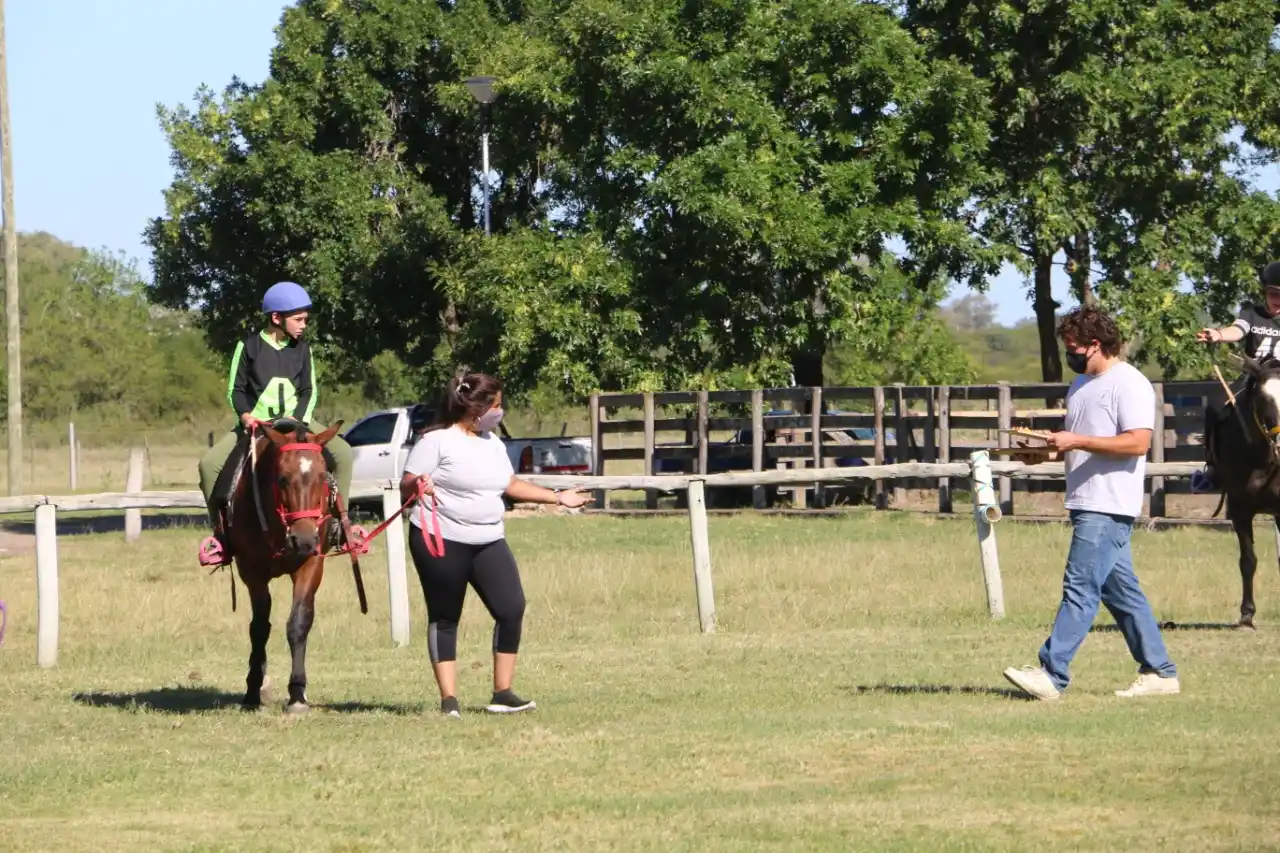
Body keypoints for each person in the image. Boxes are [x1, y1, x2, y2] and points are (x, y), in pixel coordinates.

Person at [1003, 305, 1181, 701]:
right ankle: (1160, 672)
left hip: (1109, 505)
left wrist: (1075, 441)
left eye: (1074, 347)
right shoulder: (1081, 385)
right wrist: (1041, 453)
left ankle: (1052, 674)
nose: (1070, 355)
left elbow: (1137, 443)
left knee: (1079, 586)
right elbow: (1080, 443)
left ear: (1095, 344)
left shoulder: (1129, 383)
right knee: (1121, 594)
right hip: (1085, 501)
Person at [398, 372, 593, 717]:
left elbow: (510, 484)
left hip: (488, 538)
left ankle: (502, 693)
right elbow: (407, 485)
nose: (500, 412)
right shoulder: (436, 441)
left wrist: (559, 498)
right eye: (496, 405)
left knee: (511, 608)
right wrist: (419, 485)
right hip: (441, 539)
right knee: (445, 616)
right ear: (475, 408)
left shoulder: (493, 444)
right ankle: (449, 702)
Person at [197, 281, 365, 567]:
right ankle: (221, 537)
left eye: (305, 320)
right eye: (298, 319)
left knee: (344, 453)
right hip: (257, 424)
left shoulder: (303, 350)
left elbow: (308, 390)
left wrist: (300, 419)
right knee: (209, 464)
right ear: (277, 318)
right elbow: (235, 390)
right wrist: (247, 416)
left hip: (299, 420)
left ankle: (340, 526)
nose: (303, 325)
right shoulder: (248, 347)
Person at [1192, 260, 1280, 492]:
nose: (1278, 301)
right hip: (1255, 378)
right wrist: (1219, 334)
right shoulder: (1251, 313)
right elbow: (1237, 330)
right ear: (1265, 292)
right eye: (1274, 294)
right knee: (1214, 403)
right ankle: (1213, 466)